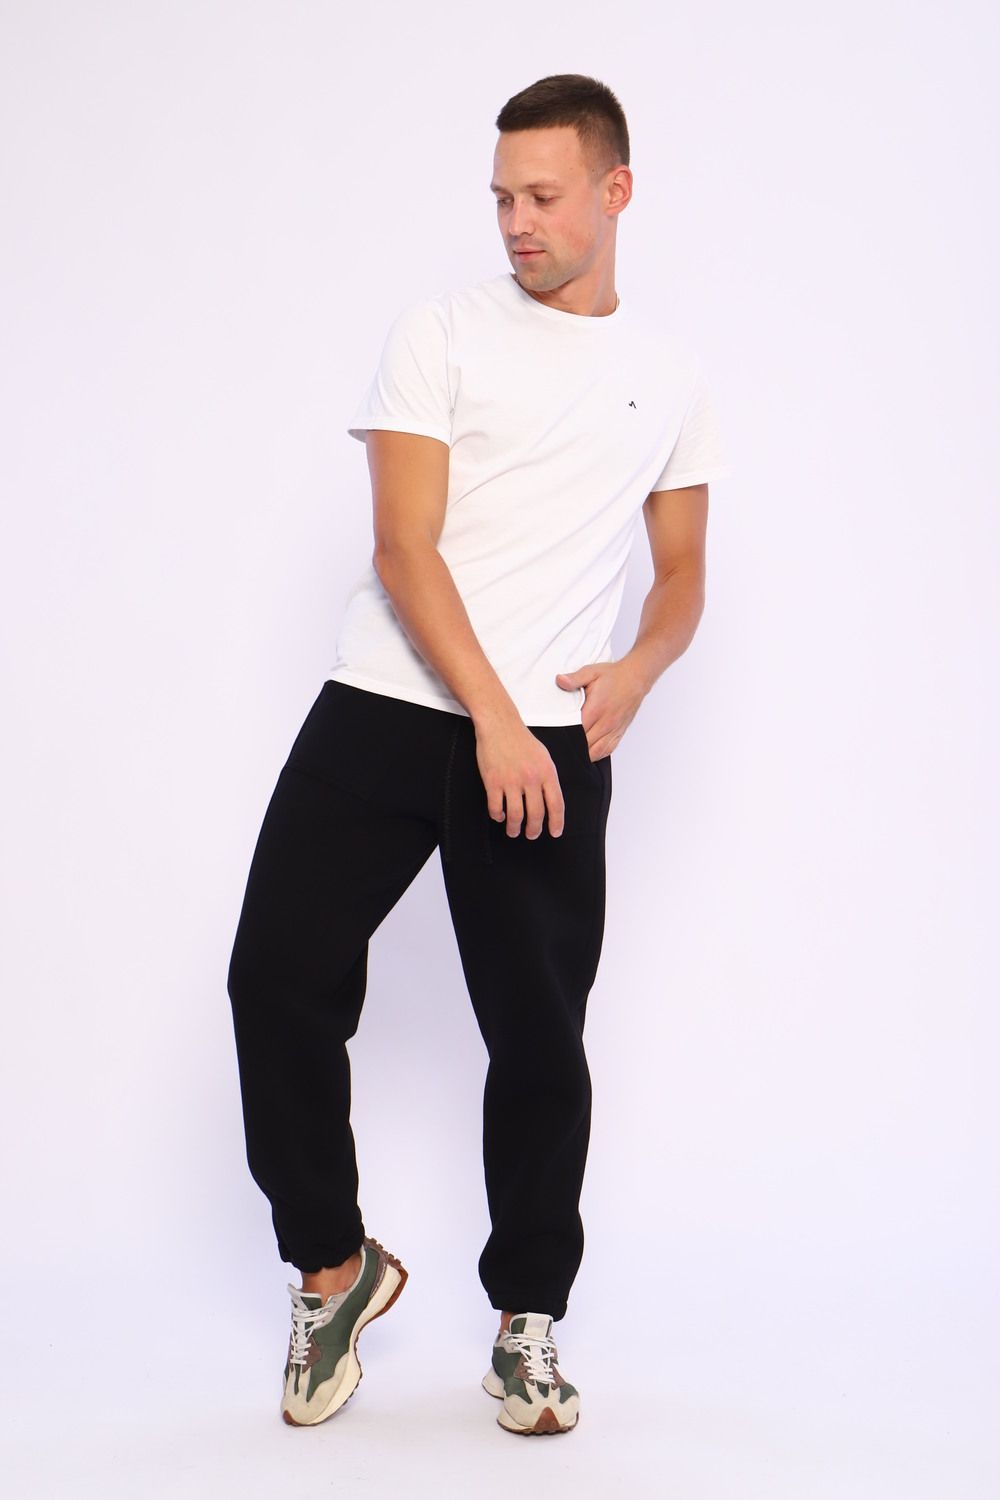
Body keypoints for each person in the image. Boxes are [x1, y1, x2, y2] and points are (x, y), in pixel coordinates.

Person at [226, 71, 732, 1437]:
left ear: (616, 191)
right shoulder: (440, 332)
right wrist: (493, 719)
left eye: (543, 196)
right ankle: (333, 1269)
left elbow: (683, 571)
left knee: (537, 1039)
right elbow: (404, 546)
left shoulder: (670, 376)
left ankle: (528, 1324)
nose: (517, 221)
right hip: (390, 706)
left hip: (555, 737)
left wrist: (639, 667)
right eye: (502, 196)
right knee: (276, 978)